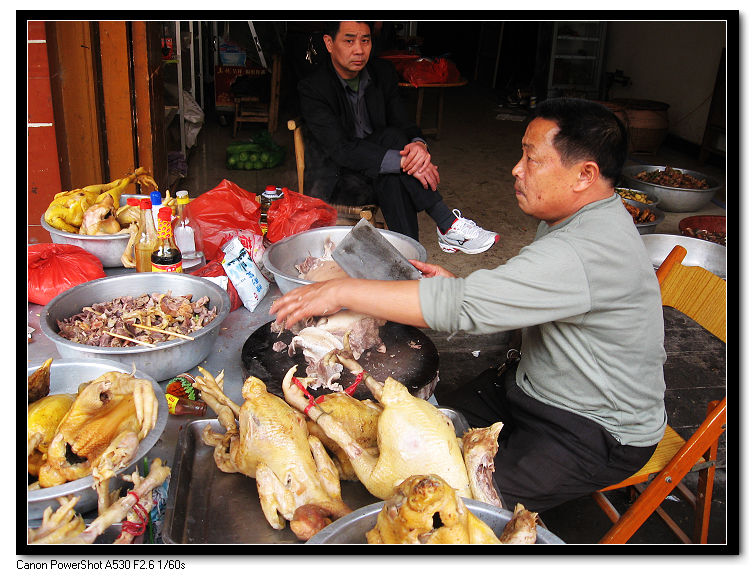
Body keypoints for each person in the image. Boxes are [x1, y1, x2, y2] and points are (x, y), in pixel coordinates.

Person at [270, 97, 668, 513]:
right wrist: (458, 285)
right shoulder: (578, 218)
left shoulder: (586, 248)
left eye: (532, 158)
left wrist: (342, 291)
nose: (517, 168)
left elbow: (465, 308)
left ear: (585, 174)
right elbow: (520, 294)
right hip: (530, 386)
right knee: (405, 426)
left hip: (591, 428)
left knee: (440, 509)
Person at [297, 21, 499, 253]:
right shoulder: (313, 87)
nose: (359, 50)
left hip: (377, 174)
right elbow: (341, 149)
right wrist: (405, 161)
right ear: (329, 43)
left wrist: (419, 147)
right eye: (349, 40)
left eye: (365, 40)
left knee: (393, 166)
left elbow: (403, 122)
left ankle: (409, 264)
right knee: (392, 145)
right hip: (339, 180)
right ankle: (445, 224)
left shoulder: (382, 73)